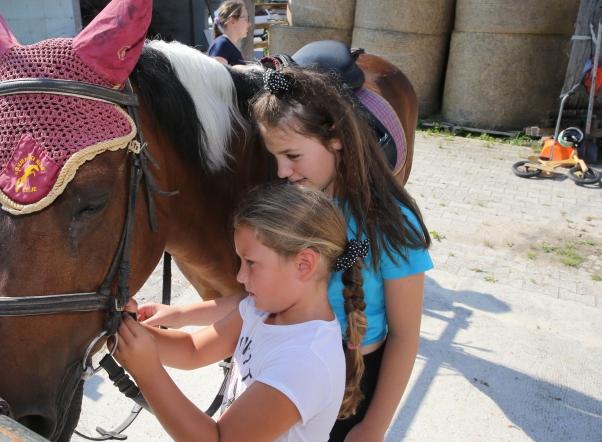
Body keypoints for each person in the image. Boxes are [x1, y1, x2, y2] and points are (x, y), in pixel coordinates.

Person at [138, 68, 434, 442]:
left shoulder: (391, 224)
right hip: (285, 362)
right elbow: (257, 299)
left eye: (292, 154)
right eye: (275, 156)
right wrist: (180, 315)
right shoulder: (297, 204)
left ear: (337, 138)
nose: (281, 170)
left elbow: (405, 335)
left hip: (354, 376)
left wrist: (374, 426)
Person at [115, 184, 367, 441]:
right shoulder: (260, 310)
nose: (239, 276)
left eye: (251, 263)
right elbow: (193, 349)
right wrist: (121, 330)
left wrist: (148, 373)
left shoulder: (305, 362)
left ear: (304, 265)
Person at [207, 0, 251, 67]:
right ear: (232, 21)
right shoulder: (222, 45)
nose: (249, 23)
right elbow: (217, 75)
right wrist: (237, 69)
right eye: (246, 19)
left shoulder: (226, 44)